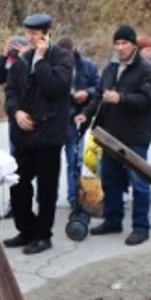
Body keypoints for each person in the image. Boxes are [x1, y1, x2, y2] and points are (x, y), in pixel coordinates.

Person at [76, 25, 151, 246]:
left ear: (134, 45)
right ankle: (113, 220)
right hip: (110, 134)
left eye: (125, 43)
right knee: (110, 178)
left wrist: (121, 98)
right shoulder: (111, 68)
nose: (120, 48)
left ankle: (141, 227)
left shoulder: (146, 69)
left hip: (135, 135)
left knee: (139, 182)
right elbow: (99, 97)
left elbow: (147, 100)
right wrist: (85, 114)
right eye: (117, 43)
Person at [2, 13, 74, 255]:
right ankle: (27, 229)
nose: (30, 38)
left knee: (46, 188)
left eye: (34, 34)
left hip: (49, 134)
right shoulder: (22, 60)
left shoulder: (62, 57)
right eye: (28, 33)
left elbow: (57, 87)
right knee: (17, 183)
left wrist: (41, 61)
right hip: (24, 135)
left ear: (46, 34)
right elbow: (10, 91)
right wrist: (16, 113)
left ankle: (43, 235)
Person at [0, 35, 29, 219]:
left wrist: (26, 57)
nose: (15, 50)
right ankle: (16, 203)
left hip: (32, 118)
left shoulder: (31, 60)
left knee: (31, 166)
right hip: (14, 119)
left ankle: (30, 203)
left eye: (17, 47)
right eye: (12, 47)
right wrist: (3, 56)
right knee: (15, 165)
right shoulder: (9, 61)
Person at [57, 36, 99, 208]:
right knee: (50, 164)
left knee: (75, 161)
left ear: (73, 50)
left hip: (76, 120)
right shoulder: (52, 66)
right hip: (56, 121)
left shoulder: (87, 66)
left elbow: (99, 87)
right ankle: (47, 198)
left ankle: (74, 197)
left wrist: (86, 93)